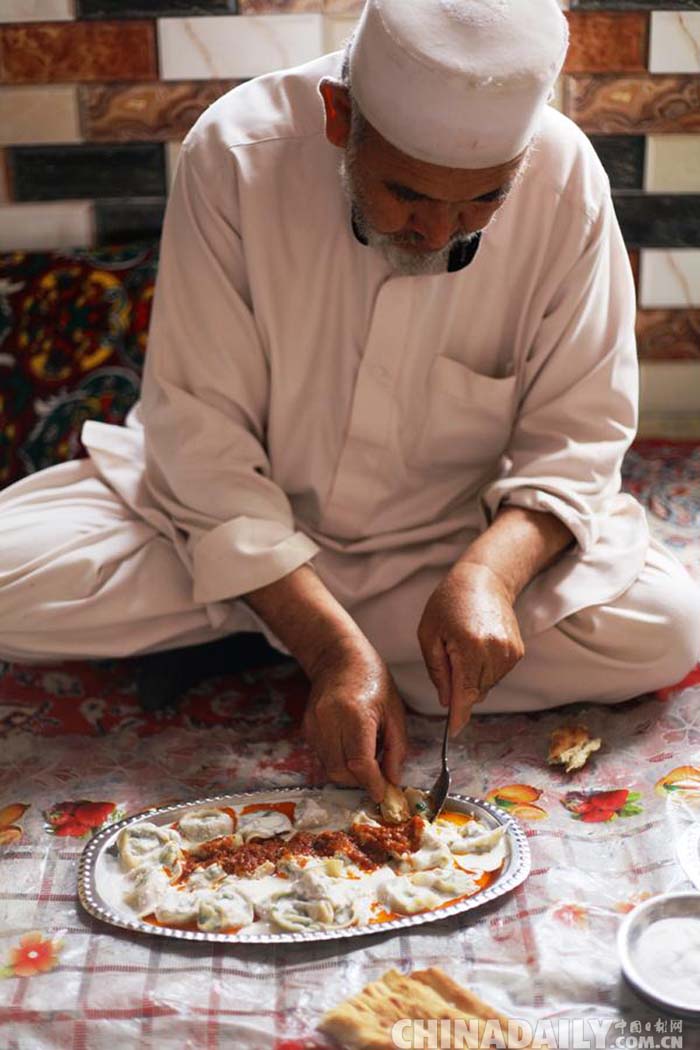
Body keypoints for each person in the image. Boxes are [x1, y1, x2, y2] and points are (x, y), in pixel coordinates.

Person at [1, 0, 698, 804]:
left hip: (440, 547)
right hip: (214, 530)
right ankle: (311, 635)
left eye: (480, 204)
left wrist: (489, 580)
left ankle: (272, 641)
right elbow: (201, 441)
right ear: (341, 118)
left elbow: (579, 436)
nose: (438, 233)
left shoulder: (565, 178)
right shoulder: (235, 152)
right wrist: (332, 650)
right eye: (408, 194)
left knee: (667, 627)